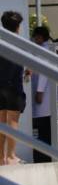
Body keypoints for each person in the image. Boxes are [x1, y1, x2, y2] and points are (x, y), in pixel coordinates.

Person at [0, 11, 26, 165]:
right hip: (13, 87)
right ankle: (11, 156)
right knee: (12, 121)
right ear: (17, 26)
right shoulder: (18, 43)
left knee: (2, 121)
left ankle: (1, 158)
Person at [30, 27, 54, 163]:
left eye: (36, 37)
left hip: (42, 96)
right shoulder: (41, 48)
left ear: (41, 37)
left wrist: (39, 92)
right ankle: (42, 156)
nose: (34, 39)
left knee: (43, 129)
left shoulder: (44, 50)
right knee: (42, 129)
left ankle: (43, 157)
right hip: (41, 95)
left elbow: (43, 73)